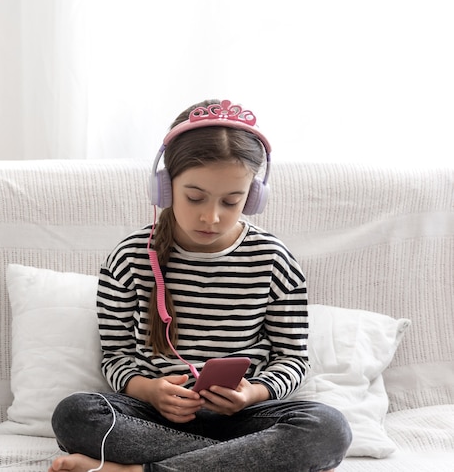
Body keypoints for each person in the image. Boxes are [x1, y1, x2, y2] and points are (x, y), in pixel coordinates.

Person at [49, 99, 352, 472]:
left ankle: (138, 470)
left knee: (328, 429)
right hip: (156, 419)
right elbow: (116, 356)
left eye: (231, 201)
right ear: (164, 187)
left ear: (254, 197)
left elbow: (292, 358)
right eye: (195, 197)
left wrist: (252, 393)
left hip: (246, 420)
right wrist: (151, 392)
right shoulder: (129, 257)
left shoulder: (274, 260)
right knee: (75, 414)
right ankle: (238, 463)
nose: (211, 216)